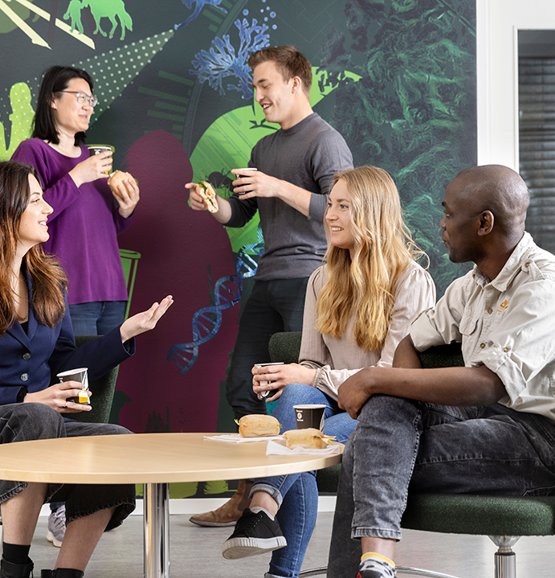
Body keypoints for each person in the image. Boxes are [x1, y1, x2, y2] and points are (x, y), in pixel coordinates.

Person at [324, 165, 555, 578]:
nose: (442, 224)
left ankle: (368, 565)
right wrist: (394, 395)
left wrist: (373, 378)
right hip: (487, 420)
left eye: (450, 214)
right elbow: (410, 342)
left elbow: (487, 385)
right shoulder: (470, 285)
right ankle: (377, 563)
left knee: (367, 449)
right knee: (386, 407)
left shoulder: (544, 287)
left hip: (543, 444)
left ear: (484, 223)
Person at [0, 161, 173, 578]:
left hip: (34, 426)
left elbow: (63, 367)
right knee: (36, 416)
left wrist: (123, 334)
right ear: (1, 210)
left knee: (117, 442)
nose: (48, 208)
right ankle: (13, 568)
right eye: (36, 199)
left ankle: (67, 573)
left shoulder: (49, 281)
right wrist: (29, 399)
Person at [218, 166, 435, 578]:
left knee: (296, 433)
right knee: (295, 399)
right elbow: (312, 364)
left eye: (343, 207)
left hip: (387, 414)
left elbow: (391, 376)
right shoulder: (321, 279)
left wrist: (311, 378)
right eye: (330, 205)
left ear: (372, 213)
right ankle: (266, 519)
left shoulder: (411, 281)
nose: (329, 216)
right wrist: (288, 376)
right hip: (335, 405)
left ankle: (268, 530)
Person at [186, 45, 353, 527]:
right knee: (244, 386)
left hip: (314, 282)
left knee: (298, 396)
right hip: (267, 280)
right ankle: (248, 499)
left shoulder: (326, 141)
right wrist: (213, 205)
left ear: (294, 84)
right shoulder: (264, 149)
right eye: (254, 85)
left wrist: (276, 186)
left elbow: (343, 210)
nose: (257, 94)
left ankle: (283, 504)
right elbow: (241, 215)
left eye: (264, 84)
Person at [12, 65, 141, 543]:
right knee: (72, 395)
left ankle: (85, 496)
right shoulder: (33, 152)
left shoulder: (95, 157)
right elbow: (26, 209)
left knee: (99, 395)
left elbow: (102, 226)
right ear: (52, 99)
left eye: (92, 98)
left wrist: (125, 208)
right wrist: (79, 174)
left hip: (110, 288)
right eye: (79, 96)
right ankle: (57, 504)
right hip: (65, 289)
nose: (88, 105)